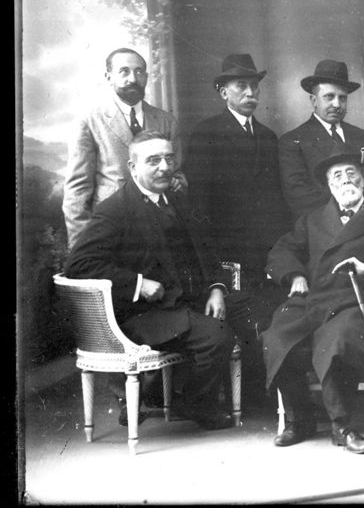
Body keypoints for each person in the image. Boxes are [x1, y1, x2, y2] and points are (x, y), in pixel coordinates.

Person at [63, 130, 235, 431]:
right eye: (153, 160)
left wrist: (217, 289)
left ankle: (256, 399)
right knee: (215, 334)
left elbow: (210, 252)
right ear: (133, 167)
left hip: (187, 300)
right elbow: (78, 264)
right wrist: (138, 283)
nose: (164, 167)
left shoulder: (179, 201)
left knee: (252, 309)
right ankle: (194, 402)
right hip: (143, 314)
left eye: (169, 159)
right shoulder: (114, 211)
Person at [262, 150, 364, 453]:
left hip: (359, 300)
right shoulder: (313, 220)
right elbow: (281, 251)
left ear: (363, 178)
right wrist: (294, 276)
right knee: (277, 334)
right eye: (337, 176)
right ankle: (300, 418)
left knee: (337, 339)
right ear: (329, 186)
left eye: (351, 173)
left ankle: (342, 425)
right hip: (315, 300)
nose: (346, 180)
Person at [185, 53, 291, 410]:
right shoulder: (206, 133)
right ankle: (237, 398)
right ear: (223, 92)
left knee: (267, 315)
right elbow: (198, 205)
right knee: (237, 319)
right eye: (241, 86)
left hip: (263, 248)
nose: (250, 93)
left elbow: (277, 198)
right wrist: (214, 256)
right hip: (226, 249)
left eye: (254, 86)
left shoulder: (268, 136)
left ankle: (265, 393)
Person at [64, 47, 186, 249]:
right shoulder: (90, 120)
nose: (132, 78)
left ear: (146, 77)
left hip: (161, 229)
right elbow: (77, 189)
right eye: (124, 71)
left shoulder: (166, 120)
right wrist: (81, 247)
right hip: (113, 230)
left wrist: (177, 182)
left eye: (139, 72)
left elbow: (179, 174)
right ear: (108, 76)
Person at [279, 59, 364, 219]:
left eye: (342, 98)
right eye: (329, 97)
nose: (337, 104)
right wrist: (346, 212)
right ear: (314, 101)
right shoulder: (292, 141)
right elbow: (298, 194)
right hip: (321, 227)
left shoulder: (361, 136)